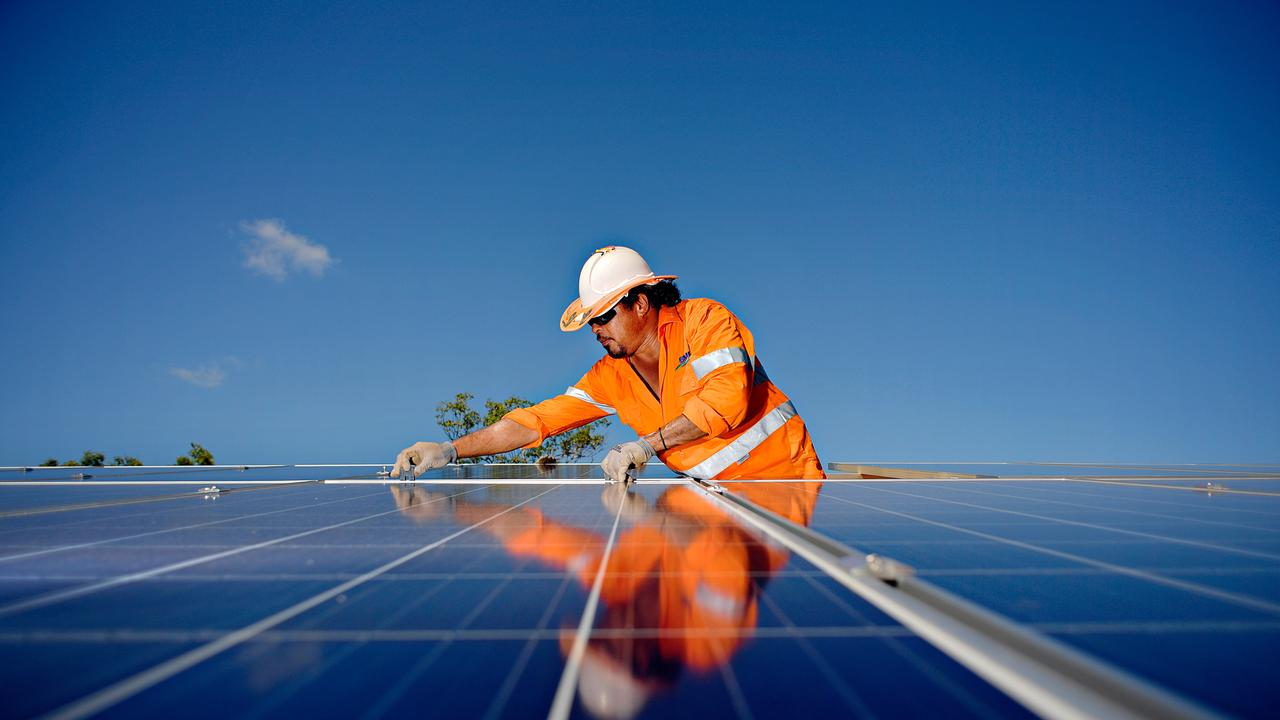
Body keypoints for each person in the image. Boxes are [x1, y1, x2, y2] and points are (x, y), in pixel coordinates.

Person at [391, 246, 824, 482]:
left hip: (787, 486)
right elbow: (535, 422)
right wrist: (450, 449)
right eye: (589, 321)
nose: (595, 329)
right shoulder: (610, 376)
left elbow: (725, 400)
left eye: (601, 317)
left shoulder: (705, 321)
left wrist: (645, 445)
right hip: (712, 501)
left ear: (639, 303)